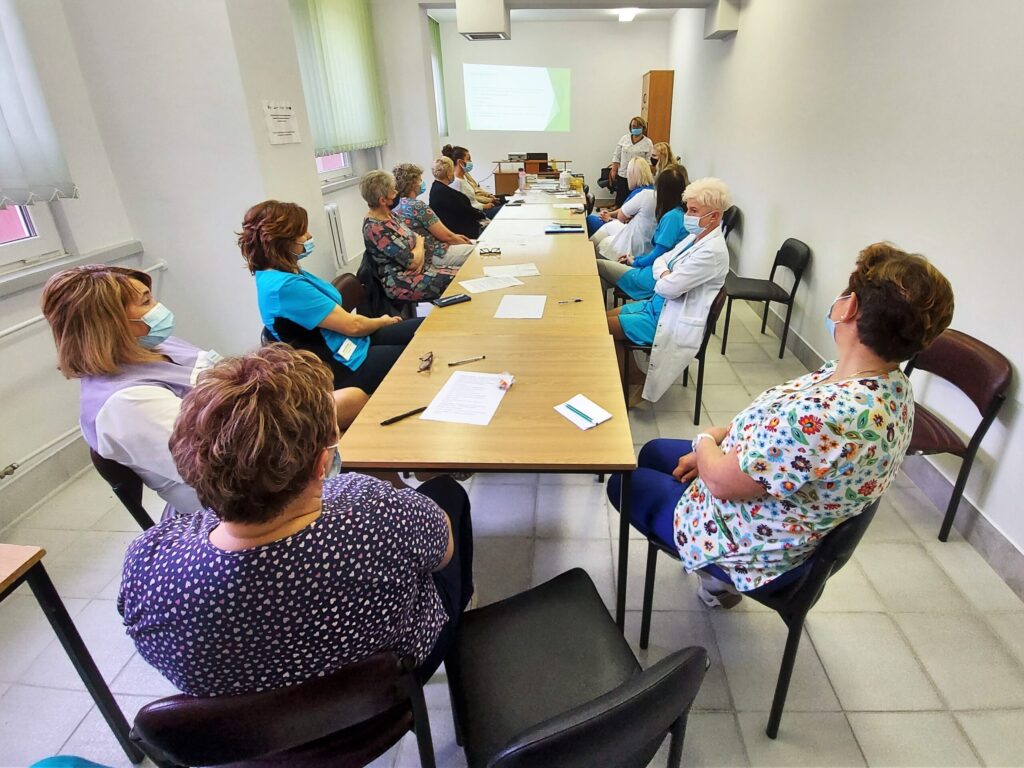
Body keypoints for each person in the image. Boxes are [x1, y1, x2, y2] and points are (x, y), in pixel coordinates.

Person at [607, 243, 954, 608]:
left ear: (849, 308)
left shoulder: (831, 416)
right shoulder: (884, 384)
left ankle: (717, 576)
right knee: (654, 452)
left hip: (753, 540)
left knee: (625, 483)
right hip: (771, 499)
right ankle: (711, 580)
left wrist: (706, 443)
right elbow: (779, 432)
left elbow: (725, 483)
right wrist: (720, 445)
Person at [118, 345, 474, 694]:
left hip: (246, 736)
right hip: (385, 694)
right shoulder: (374, 509)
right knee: (446, 493)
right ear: (322, 463)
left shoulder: (146, 564)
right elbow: (443, 553)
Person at [40, 265, 215, 516]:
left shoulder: (154, 344)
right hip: (223, 503)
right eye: (146, 302)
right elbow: (222, 468)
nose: (157, 308)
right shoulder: (126, 403)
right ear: (109, 324)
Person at [239, 199, 421, 428]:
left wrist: (379, 324)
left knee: (422, 330)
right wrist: (382, 321)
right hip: (339, 365)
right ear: (282, 241)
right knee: (417, 355)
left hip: (348, 344)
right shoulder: (283, 286)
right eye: (301, 233)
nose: (308, 236)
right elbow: (352, 325)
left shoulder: (283, 273)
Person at [607, 177, 731, 403]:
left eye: (694, 210)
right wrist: (665, 274)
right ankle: (631, 374)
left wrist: (664, 276)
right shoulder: (695, 237)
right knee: (602, 319)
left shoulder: (712, 252)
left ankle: (635, 381)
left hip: (670, 317)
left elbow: (668, 287)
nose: (687, 216)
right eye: (688, 209)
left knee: (602, 328)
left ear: (714, 216)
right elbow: (661, 260)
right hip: (657, 306)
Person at [361, 170, 459, 303]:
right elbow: (412, 262)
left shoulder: (391, 216)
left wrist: (418, 253)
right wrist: (417, 250)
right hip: (401, 281)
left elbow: (417, 238)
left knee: (463, 274)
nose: (397, 194)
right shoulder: (375, 229)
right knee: (460, 281)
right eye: (393, 192)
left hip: (420, 268)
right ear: (383, 200)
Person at [597, 165, 690, 296]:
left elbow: (658, 254)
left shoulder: (672, 218)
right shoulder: (677, 212)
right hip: (654, 269)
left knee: (597, 265)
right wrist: (636, 258)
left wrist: (635, 261)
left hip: (651, 275)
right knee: (600, 279)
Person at [392, 162, 475, 269]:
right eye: (419, 180)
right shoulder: (417, 206)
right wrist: (464, 242)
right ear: (413, 184)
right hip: (434, 252)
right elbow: (447, 237)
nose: (421, 183)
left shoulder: (396, 206)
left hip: (420, 253)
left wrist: (457, 238)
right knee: (479, 251)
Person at [590, 157, 657, 261]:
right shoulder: (650, 190)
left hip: (630, 233)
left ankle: (589, 256)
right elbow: (625, 212)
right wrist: (611, 214)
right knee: (601, 227)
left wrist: (610, 217)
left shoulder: (642, 193)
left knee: (590, 221)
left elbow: (622, 216)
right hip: (631, 230)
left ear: (632, 174)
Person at [429, 156, 487, 239]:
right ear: (449, 172)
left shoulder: (437, 188)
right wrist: (482, 214)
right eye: (452, 170)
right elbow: (466, 210)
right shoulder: (444, 192)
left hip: (460, 227)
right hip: (463, 232)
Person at [442, 144, 500, 220]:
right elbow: (462, 208)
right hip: (476, 215)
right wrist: (483, 206)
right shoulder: (456, 182)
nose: (471, 162)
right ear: (460, 162)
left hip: (479, 210)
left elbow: (472, 201)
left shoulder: (464, 178)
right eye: (468, 159)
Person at [608, 116, 654, 207]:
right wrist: (614, 169)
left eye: (638, 127)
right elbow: (617, 155)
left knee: (634, 201)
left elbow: (649, 160)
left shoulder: (648, 142)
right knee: (621, 200)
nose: (635, 128)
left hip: (638, 177)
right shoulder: (624, 139)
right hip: (623, 174)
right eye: (633, 126)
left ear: (643, 128)